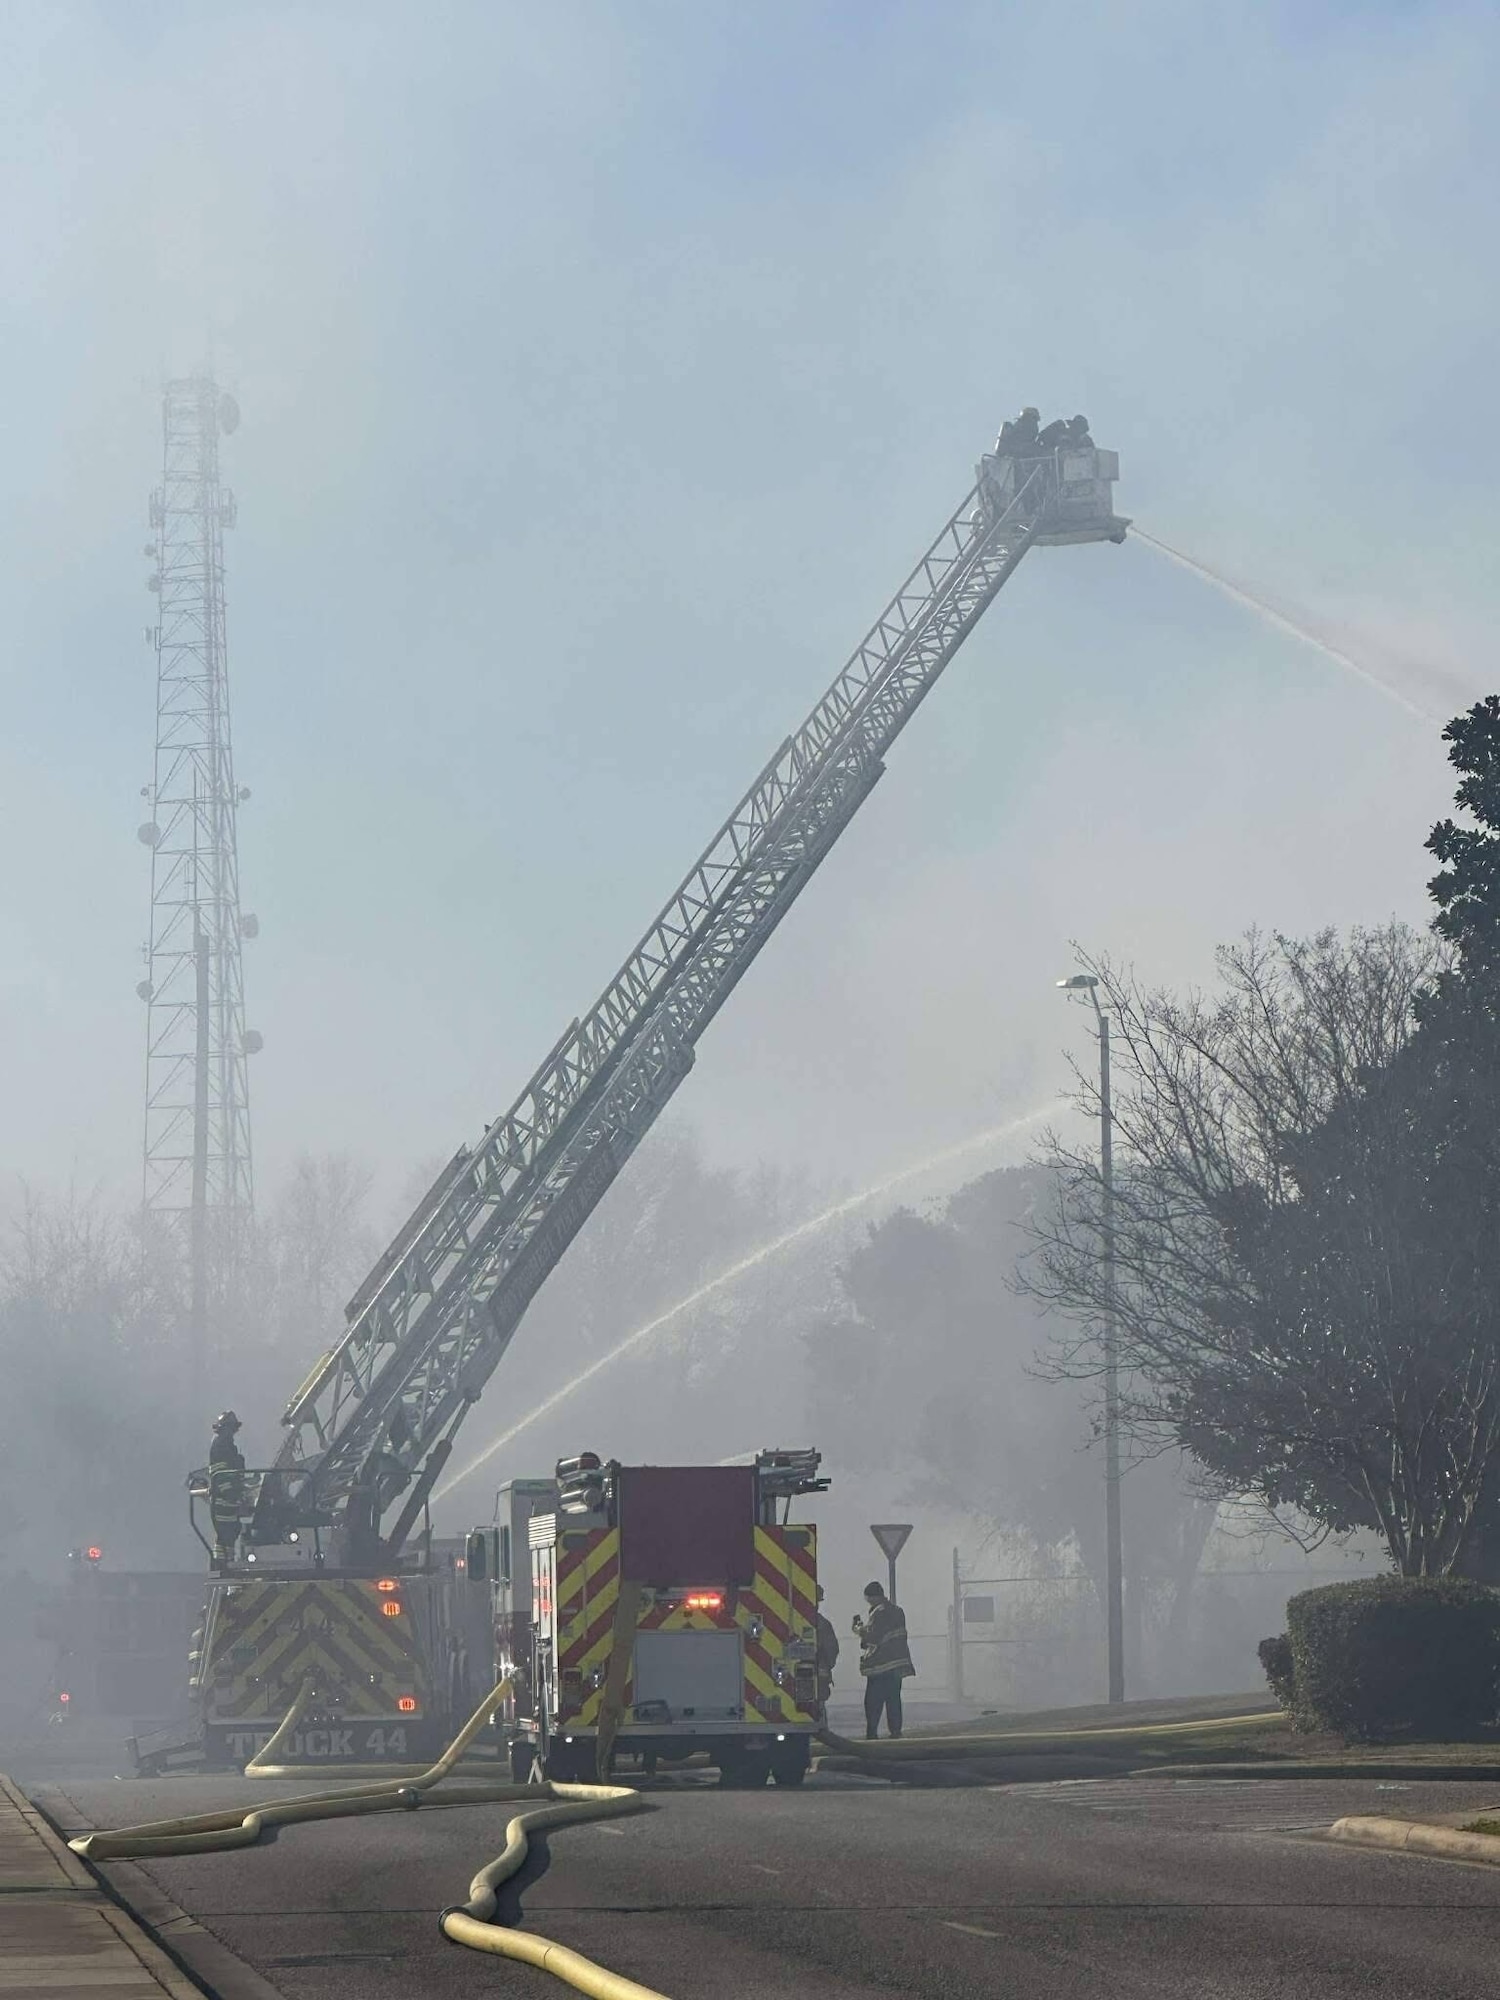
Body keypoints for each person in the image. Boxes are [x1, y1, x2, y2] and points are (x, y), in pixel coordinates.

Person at [852, 1580, 915, 1739]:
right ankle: (895, 1732)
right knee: (893, 1700)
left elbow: (873, 1637)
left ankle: (872, 1734)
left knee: (873, 1702)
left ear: (873, 1597)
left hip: (880, 1666)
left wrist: (859, 1629)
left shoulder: (879, 1613)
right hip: (897, 1665)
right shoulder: (898, 1611)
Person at [207, 1411, 246, 1564]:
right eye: (230, 1428)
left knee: (231, 1532)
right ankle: (222, 1566)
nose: (232, 1432)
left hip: (229, 1500)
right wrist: (231, 1493)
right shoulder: (220, 1445)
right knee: (224, 1535)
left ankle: (227, 1564)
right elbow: (220, 1473)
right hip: (223, 1500)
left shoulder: (228, 1445)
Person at [815, 1585, 840, 1710]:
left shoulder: (822, 1624)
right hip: (818, 1679)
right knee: (818, 1709)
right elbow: (832, 1650)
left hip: (817, 1678)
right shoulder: (823, 1624)